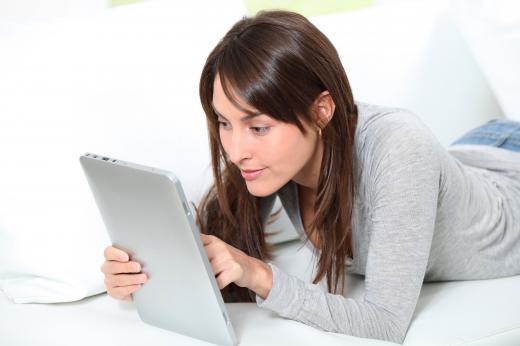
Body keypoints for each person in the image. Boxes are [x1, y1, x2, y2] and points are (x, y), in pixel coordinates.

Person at [100, 10, 520, 344]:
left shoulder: (399, 146)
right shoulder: (266, 160)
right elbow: (218, 256)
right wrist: (142, 278)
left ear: (322, 110)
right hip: (474, 150)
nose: (235, 148)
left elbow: (386, 323)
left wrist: (260, 275)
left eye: (258, 126)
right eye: (223, 122)